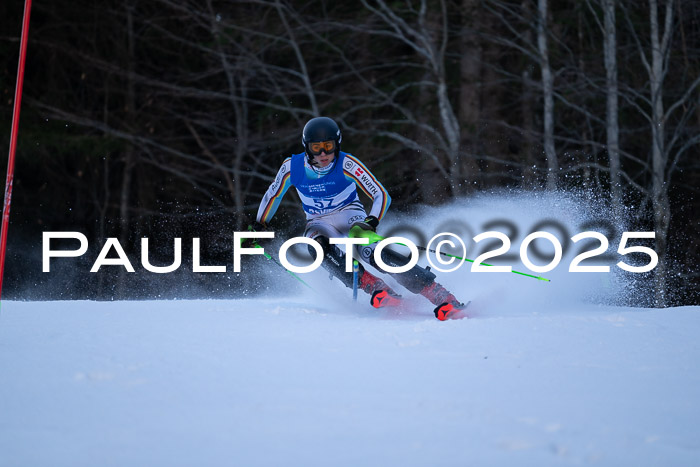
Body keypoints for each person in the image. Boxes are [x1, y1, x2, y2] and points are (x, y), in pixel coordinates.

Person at [246, 116, 464, 320]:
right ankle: (377, 288)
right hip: (318, 222)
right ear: (307, 147)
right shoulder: (292, 167)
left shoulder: (347, 163)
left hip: (351, 216)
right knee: (316, 247)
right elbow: (272, 194)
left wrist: (370, 222)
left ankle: (440, 296)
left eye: (328, 146)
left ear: (337, 144)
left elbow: (380, 194)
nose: (323, 153)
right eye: (316, 148)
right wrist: (259, 225)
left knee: (373, 253)